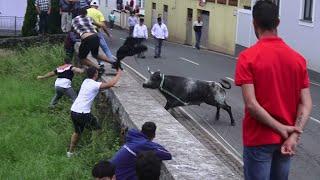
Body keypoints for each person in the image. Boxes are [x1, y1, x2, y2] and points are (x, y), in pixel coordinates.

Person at [234, 1, 312, 180]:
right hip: (286, 140)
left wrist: (280, 128)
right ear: (278, 22)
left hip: (258, 140)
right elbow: (306, 103)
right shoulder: (298, 60)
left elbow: (252, 105)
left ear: (254, 23)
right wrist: (293, 134)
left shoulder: (247, 58)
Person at [67, 67, 122, 157]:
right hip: (83, 113)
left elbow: (100, 87)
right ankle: (93, 149)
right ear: (95, 74)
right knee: (97, 130)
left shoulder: (86, 82)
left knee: (77, 132)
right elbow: (109, 83)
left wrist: (110, 85)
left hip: (74, 111)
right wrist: (118, 74)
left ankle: (70, 152)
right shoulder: (94, 84)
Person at [72, 8, 117, 75]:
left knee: (81, 58)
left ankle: (99, 69)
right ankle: (113, 62)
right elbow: (100, 25)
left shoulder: (74, 20)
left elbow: (75, 31)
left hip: (87, 38)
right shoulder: (89, 18)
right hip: (96, 36)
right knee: (95, 54)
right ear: (86, 13)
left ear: (78, 13)